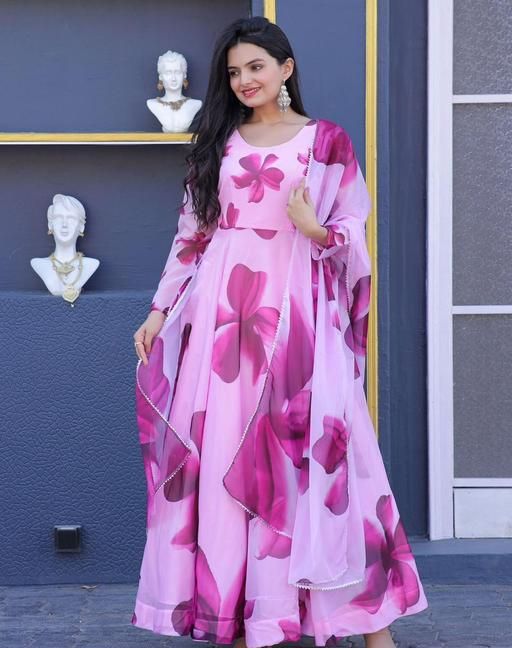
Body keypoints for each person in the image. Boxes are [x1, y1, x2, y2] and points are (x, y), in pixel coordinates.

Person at [131, 15, 428, 648]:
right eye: (234, 71)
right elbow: (191, 236)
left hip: (297, 319)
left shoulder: (326, 142)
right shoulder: (219, 143)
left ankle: (368, 626)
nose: (244, 80)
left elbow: (353, 232)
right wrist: (159, 310)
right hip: (225, 324)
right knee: (223, 460)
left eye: (256, 67)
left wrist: (316, 229)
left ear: (286, 68)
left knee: (322, 459)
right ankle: (245, 619)